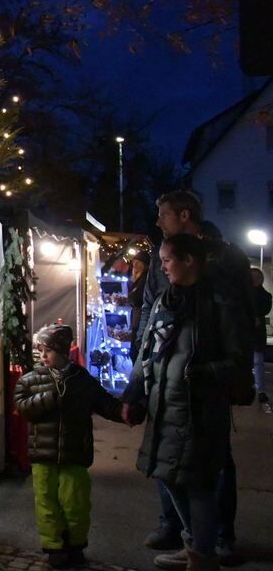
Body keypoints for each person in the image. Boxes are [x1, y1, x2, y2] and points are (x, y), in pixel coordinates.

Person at [126, 190, 251, 562]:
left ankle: (214, 540)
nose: (158, 222)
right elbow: (151, 310)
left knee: (207, 470)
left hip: (201, 395)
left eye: (163, 215)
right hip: (168, 388)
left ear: (184, 215)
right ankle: (182, 532)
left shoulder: (224, 261)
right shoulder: (163, 274)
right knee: (166, 465)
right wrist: (140, 374)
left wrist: (215, 375)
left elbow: (241, 323)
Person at [15, 324, 125, 569]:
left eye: (48, 350)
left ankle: (76, 545)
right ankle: (54, 547)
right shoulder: (30, 379)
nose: (43, 355)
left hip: (74, 453)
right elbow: (23, 406)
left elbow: (104, 403)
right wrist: (51, 397)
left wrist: (125, 412)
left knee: (76, 502)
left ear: (63, 351)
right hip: (42, 454)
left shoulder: (81, 379)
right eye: (40, 350)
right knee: (46, 503)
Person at [250, 267, 272, 413]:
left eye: (257, 277)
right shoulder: (241, 293)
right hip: (244, 333)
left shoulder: (265, 296)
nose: (255, 280)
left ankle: (261, 391)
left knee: (258, 362)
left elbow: (264, 309)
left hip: (257, 334)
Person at [128, 251, 150, 362]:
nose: (135, 265)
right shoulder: (138, 279)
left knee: (135, 352)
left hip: (140, 319)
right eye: (134, 262)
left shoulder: (144, 279)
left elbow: (136, 298)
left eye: (138, 262)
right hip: (136, 318)